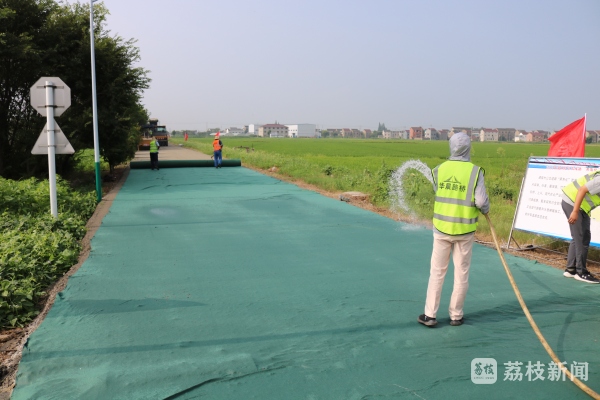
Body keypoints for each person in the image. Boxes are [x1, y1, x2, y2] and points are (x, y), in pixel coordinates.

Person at [418, 131, 490, 328]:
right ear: (468, 148)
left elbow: (440, 192)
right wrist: (485, 209)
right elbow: (481, 201)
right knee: (461, 273)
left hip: (441, 229)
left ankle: (430, 315)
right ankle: (456, 316)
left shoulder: (438, 170)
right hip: (465, 231)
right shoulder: (475, 172)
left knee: (437, 272)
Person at [560, 172, 600, 283]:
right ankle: (581, 273)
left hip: (580, 206)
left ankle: (571, 269)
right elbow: (582, 190)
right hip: (573, 204)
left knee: (580, 237)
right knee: (581, 238)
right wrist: (575, 211)